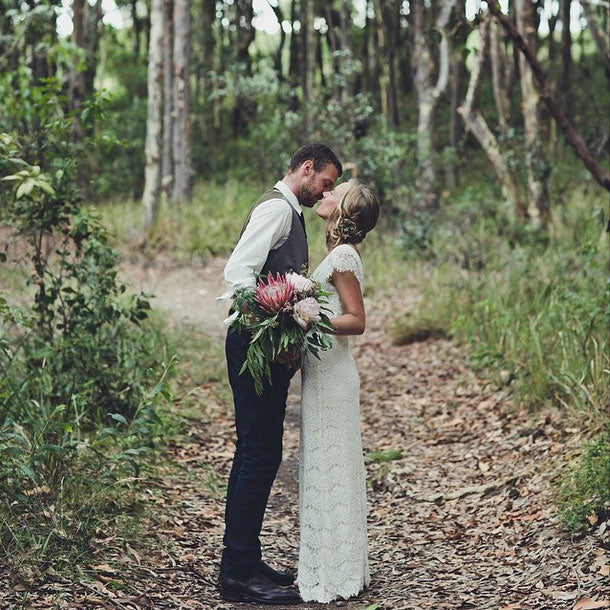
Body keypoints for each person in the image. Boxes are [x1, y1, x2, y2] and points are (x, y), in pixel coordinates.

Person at [219, 143, 342, 605]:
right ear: (306, 168)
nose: (324, 192)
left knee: (258, 452)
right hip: (254, 347)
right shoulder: (276, 210)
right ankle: (237, 573)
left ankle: (244, 560)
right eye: (325, 182)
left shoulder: (288, 211)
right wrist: (278, 318)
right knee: (258, 454)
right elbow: (238, 276)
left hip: (263, 351)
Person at [297, 180, 380, 603]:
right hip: (323, 373)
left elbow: (357, 320)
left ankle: (338, 571)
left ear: (343, 210)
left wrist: (308, 316)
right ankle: (334, 564)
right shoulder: (336, 253)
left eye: (334, 192)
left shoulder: (344, 256)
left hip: (333, 378)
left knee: (332, 467)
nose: (323, 196)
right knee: (325, 464)